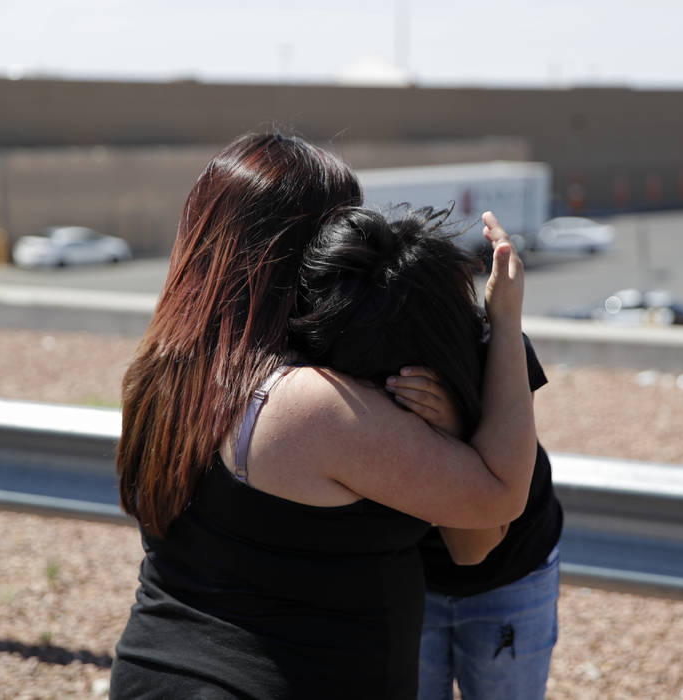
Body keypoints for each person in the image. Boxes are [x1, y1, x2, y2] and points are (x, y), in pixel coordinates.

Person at [109, 132, 535, 699]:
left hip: (152, 672)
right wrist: (504, 325)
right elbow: (499, 494)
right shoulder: (309, 405)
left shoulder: (165, 371)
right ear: (298, 252)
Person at [291, 206, 563, 700]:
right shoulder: (347, 364)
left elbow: (473, 547)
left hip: (509, 573)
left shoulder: (490, 349)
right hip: (406, 580)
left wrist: (504, 319)